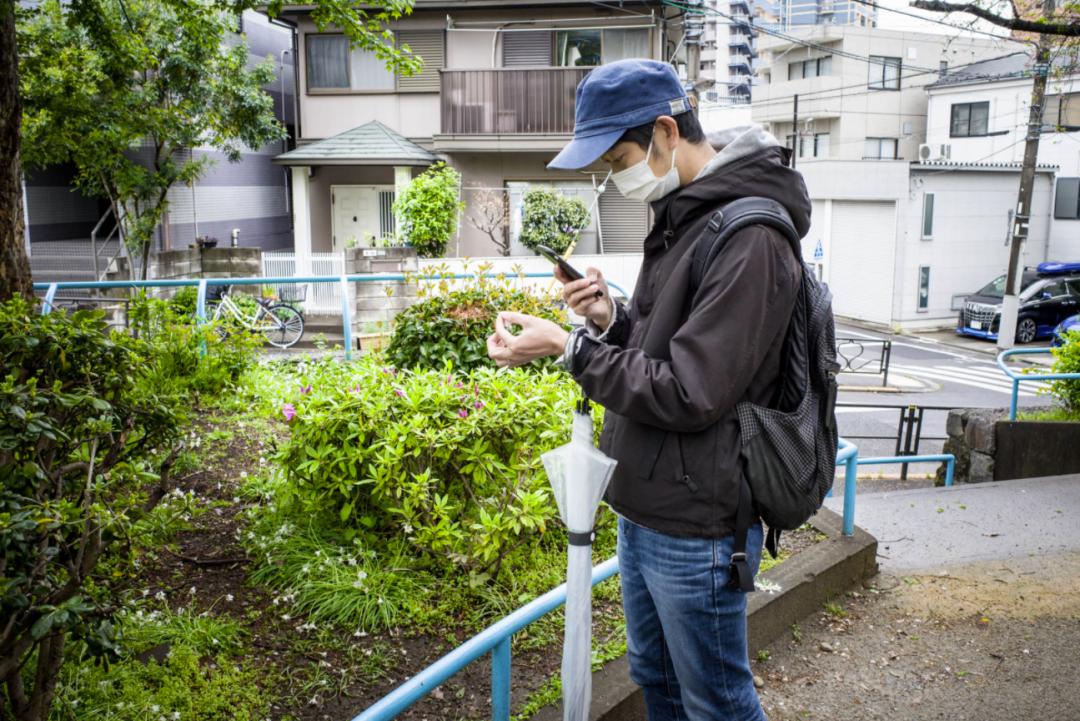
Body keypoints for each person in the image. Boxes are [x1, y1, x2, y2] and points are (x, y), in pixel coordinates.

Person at [486, 58, 809, 721]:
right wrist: (611, 317)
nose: (614, 175)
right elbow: (668, 345)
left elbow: (693, 390)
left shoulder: (750, 235)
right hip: (645, 500)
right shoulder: (686, 214)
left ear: (666, 131)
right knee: (656, 683)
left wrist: (568, 347)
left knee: (716, 700)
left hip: (698, 521)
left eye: (620, 155)